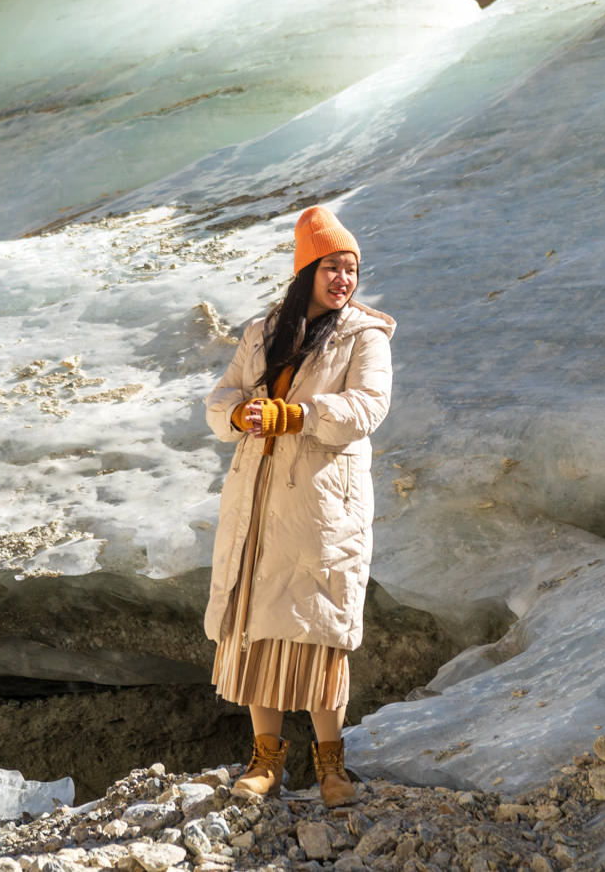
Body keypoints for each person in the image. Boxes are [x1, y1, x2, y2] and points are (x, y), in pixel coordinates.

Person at [204, 205, 394, 806]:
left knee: (319, 629)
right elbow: (222, 397)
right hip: (259, 500)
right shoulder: (264, 333)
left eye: (352, 269)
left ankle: (332, 768)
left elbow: (368, 407)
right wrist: (240, 414)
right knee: (259, 626)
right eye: (333, 267)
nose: (344, 280)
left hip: (320, 505)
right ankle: (266, 762)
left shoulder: (364, 336)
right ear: (307, 268)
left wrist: (299, 415)